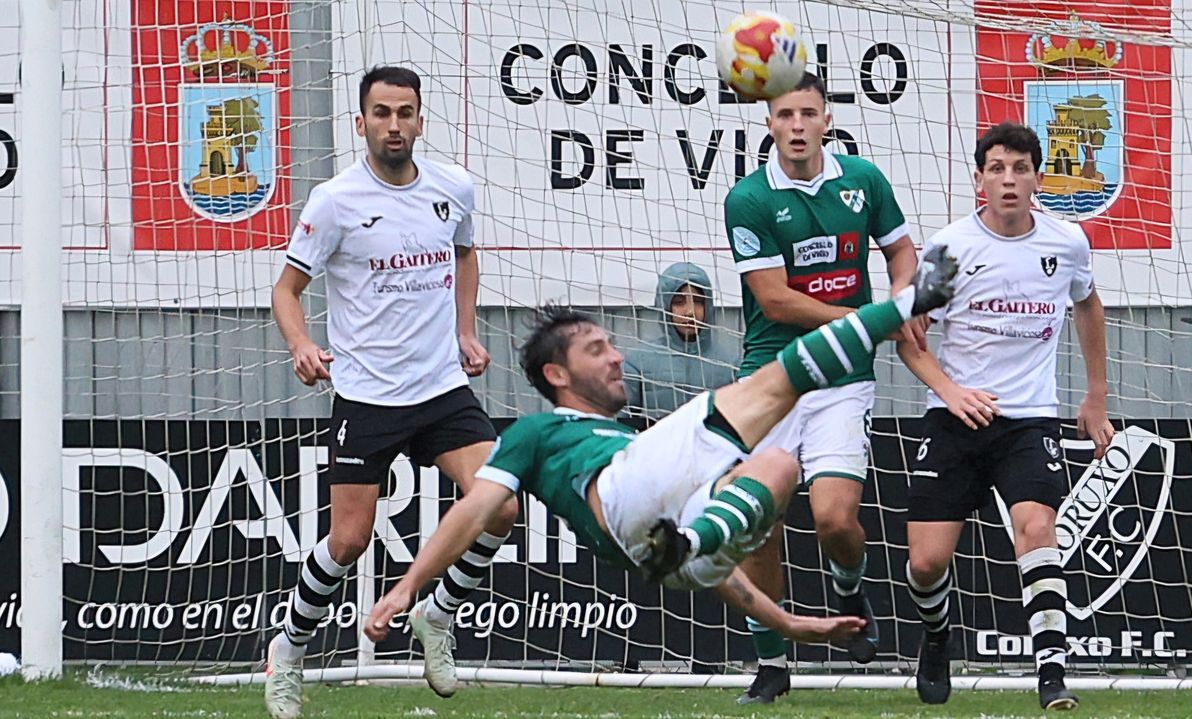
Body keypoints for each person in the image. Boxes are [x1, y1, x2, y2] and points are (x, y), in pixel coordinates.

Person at [364, 247, 960, 657]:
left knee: (779, 465)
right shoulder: (538, 434)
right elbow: (473, 510)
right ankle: (910, 302)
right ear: (557, 374)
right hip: (625, 503)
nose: (617, 356)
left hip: (675, 554)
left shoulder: (632, 440)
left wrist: (791, 624)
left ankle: (695, 536)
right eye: (597, 349)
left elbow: (719, 576)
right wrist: (406, 587)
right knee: (776, 382)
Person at [265, 66, 519, 719]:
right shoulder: (334, 200)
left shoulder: (452, 186)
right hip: (368, 395)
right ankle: (289, 651)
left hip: (440, 387)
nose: (395, 125)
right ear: (361, 123)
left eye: (405, 112)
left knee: (501, 506)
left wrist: (465, 329)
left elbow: (464, 254)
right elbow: (286, 290)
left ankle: (438, 613)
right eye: (382, 113)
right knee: (348, 540)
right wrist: (301, 344)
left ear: (420, 120)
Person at [896, 121, 1115, 712]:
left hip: (1029, 420)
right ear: (979, 180)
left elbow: (1087, 304)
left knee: (1038, 530)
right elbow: (908, 339)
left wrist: (1095, 395)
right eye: (997, 169)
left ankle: (1052, 675)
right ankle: (938, 636)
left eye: (1020, 169)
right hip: (954, 418)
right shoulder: (949, 249)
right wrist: (951, 390)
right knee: (925, 562)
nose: (1010, 180)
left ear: (1038, 178)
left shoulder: (1066, 242)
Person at [723, 71, 927, 703]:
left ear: (826, 121)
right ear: (769, 123)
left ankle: (847, 586)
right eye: (785, 115)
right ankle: (772, 664)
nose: (798, 126)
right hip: (773, 379)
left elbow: (901, 253)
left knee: (835, 519)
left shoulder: (862, 181)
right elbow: (774, 300)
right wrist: (871, 319)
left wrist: (903, 294)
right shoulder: (749, 198)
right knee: (758, 521)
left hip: (842, 377)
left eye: (808, 114)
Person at [623, 262, 739, 419]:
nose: (690, 312)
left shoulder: (731, 364)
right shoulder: (637, 363)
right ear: (664, 306)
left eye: (698, 301)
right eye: (679, 302)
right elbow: (622, 424)